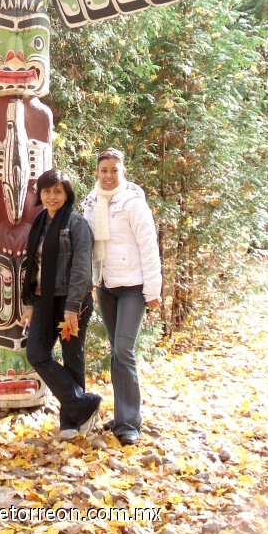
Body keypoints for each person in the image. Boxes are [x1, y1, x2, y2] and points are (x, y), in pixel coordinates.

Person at [82, 148, 162, 446]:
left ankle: (130, 422)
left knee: (124, 350)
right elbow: (86, 243)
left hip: (133, 286)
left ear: (122, 172)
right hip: (106, 284)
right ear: (97, 172)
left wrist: (153, 290)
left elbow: (149, 246)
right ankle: (120, 415)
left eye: (114, 170)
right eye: (104, 170)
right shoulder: (92, 202)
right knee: (116, 350)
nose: (109, 175)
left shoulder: (134, 203)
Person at [20, 168, 101, 441]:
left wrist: (72, 306)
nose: (51, 196)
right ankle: (83, 405)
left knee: (72, 357)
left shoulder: (77, 224)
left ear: (67, 193)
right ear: (40, 194)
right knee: (37, 354)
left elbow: (81, 269)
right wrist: (29, 302)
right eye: (46, 191)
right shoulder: (40, 222)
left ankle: (70, 421)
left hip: (70, 300)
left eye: (57, 191)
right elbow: (32, 266)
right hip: (43, 299)